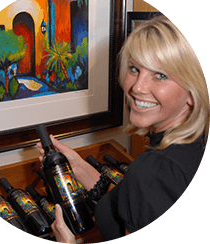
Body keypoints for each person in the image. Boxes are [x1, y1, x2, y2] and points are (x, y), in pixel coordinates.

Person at [37, 15, 209, 242]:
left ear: (192, 92)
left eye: (160, 75)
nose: (138, 87)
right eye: (134, 68)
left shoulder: (154, 172)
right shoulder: (193, 144)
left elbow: (147, 187)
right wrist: (79, 168)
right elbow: (136, 202)